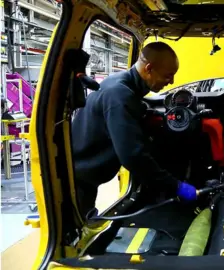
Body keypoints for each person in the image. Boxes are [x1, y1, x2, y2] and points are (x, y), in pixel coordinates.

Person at [72, 42, 197, 217]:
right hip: (77, 181)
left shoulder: (119, 83)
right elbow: (133, 156)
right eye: (168, 76)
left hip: (82, 175)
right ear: (149, 68)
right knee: (77, 232)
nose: (172, 82)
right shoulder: (120, 96)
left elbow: (134, 109)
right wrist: (176, 187)